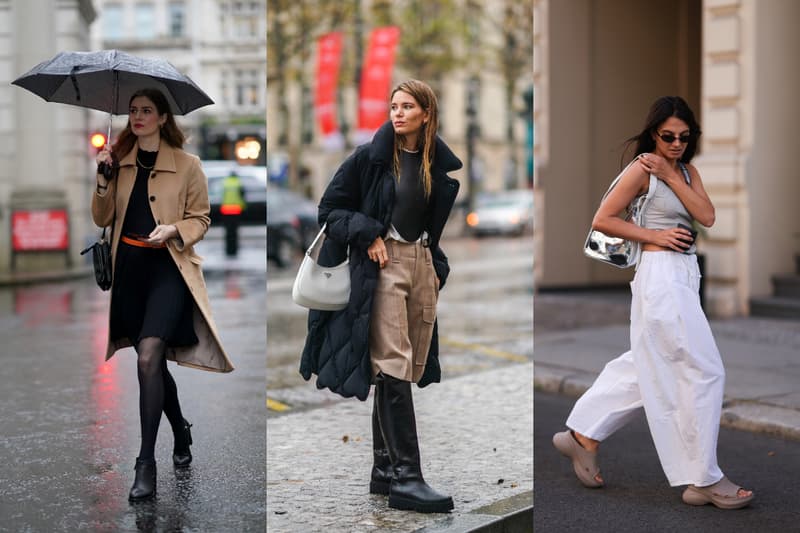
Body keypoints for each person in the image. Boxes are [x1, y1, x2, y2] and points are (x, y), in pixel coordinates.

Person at [552, 96, 754, 510]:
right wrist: (656, 236)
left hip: (683, 276)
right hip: (660, 276)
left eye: (684, 136)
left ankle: (583, 434)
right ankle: (703, 478)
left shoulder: (685, 171)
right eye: (667, 136)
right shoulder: (640, 169)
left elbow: (707, 215)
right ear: (653, 133)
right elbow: (603, 219)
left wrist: (672, 174)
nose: (676, 143)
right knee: (703, 369)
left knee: (649, 361)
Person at [299, 79, 461, 513]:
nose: (398, 113)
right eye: (394, 106)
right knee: (391, 364)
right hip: (383, 266)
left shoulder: (434, 166)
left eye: (408, 106)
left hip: (421, 264)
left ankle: (384, 471)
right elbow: (329, 212)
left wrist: (436, 266)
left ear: (426, 113)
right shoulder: (369, 160)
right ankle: (409, 479)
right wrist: (369, 233)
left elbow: (429, 224)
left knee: (407, 367)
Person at [93, 88, 234, 501]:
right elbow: (101, 218)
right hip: (130, 274)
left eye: (146, 111)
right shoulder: (117, 163)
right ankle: (180, 429)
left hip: (169, 271)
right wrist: (103, 179)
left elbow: (202, 219)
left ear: (161, 117)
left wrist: (175, 230)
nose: (137, 117)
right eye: (133, 110)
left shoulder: (188, 165)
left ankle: (145, 464)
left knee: (150, 355)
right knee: (151, 364)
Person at [221, 170, 246, 256]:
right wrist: (243, 207)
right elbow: (242, 196)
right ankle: (234, 250)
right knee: (235, 232)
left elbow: (222, 196)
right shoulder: (239, 183)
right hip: (236, 210)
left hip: (226, 210)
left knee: (228, 232)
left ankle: (228, 250)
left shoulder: (225, 183)